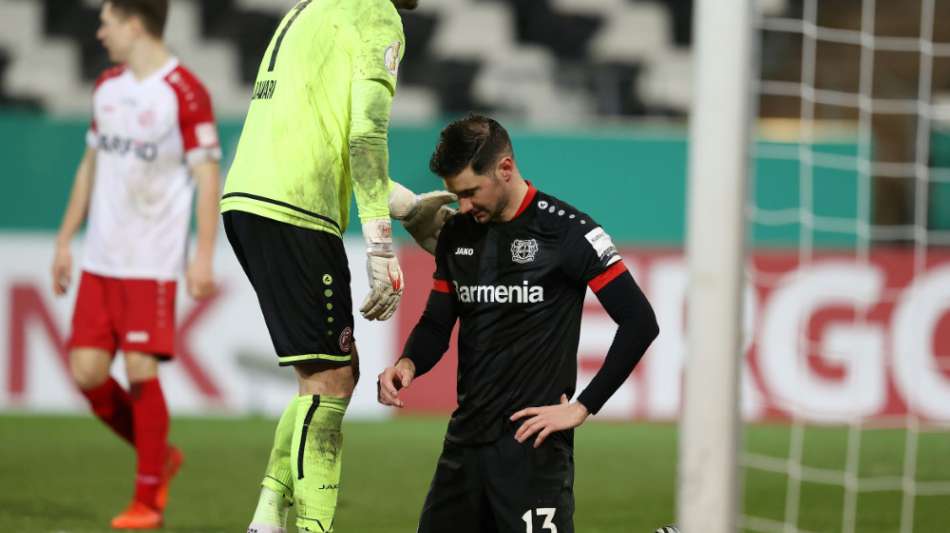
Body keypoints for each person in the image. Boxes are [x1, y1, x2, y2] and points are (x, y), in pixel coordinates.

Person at [220, 0, 453, 531]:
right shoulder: (376, 14)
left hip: (252, 201)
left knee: (328, 376)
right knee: (330, 381)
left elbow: (325, 138)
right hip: (296, 208)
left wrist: (407, 207)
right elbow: (365, 139)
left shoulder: (313, 9)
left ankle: (266, 519)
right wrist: (379, 245)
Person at [377, 114, 660, 532]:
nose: (464, 206)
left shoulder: (567, 232)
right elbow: (438, 324)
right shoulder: (458, 234)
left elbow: (640, 321)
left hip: (534, 448)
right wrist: (407, 364)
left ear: (505, 168)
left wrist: (583, 406)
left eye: (472, 192)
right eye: (458, 196)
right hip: (465, 445)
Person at [50, 0, 221, 529]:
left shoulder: (185, 92)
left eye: (105, 21)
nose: (99, 32)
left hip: (151, 261)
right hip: (102, 260)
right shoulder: (107, 89)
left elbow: (208, 177)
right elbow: (89, 167)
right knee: (87, 373)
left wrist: (203, 255)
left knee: (141, 371)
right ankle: (160, 455)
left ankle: (148, 497)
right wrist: (64, 240)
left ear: (133, 23)